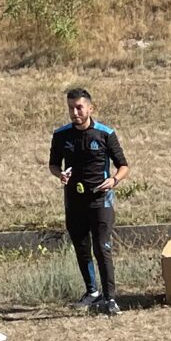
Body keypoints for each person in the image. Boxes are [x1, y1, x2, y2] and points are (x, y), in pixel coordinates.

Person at [49, 87, 130, 314]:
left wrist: (114, 181)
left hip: (100, 201)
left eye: (79, 107)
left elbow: (124, 166)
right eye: (71, 108)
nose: (75, 112)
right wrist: (60, 174)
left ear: (90, 108)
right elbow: (54, 164)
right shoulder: (61, 135)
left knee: (102, 248)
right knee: (81, 248)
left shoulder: (105, 134)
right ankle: (91, 291)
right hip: (74, 202)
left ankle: (110, 298)